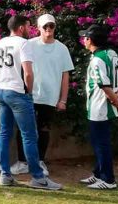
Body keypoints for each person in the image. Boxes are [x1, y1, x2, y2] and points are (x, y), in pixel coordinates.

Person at [0, 15, 61, 190]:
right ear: (21, 28)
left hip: (1, 91)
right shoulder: (24, 44)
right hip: (18, 92)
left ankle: (5, 174)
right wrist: (28, 91)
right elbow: (28, 72)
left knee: (5, 133)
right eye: (28, 26)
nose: (30, 29)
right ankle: (38, 177)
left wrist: (1, 83)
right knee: (29, 135)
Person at [11, 14, 74, 176]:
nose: (48, 29)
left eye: (51, 26)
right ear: (38, 28)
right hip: (29, 95)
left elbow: (65, 75)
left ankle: (39, 161)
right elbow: (19, 68)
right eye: (45, 26)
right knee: (24, 129)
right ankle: (22, 161)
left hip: (49, 97)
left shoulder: (62, 49)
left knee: (43, 129)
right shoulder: (29, 45)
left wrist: (63, 100)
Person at [79, 25, 118, 190]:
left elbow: (105, 86)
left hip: (99, 108)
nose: (83, 40)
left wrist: (117, 102)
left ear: (91, 40)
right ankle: (98, 174)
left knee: (101, 144)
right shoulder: (111, 54)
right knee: (99, 142)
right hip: (107, 106)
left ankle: (108, 180)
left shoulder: (96, 60)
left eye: (85, 37)